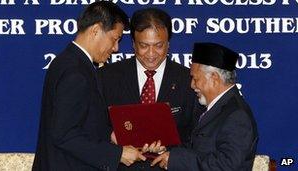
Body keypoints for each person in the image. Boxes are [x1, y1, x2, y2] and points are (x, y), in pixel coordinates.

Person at [32, 1, 146, 170]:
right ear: (95, 30)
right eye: (115, 39)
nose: (116, 48)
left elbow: (81, 121)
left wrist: (111, 135)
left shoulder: (69, 62)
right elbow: (65, 135)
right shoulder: (75, 71)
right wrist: (117, 154)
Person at [97, 8, 203, 171]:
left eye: (159, 45)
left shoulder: (188, 80)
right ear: (133, 43)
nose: (151, 54)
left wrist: (168, 151)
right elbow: (93, 127)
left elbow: (197, 135)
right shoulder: (107, 77)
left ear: (168, 44)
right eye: (144, 46)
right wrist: (114, 140)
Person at [151, 42, 258, 171]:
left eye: (195, 79)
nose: (192, 85)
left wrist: (175, 160)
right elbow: (195, 148)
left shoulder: (237, 115)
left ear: (214, 78)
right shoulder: (213, 107)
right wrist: (166, 150)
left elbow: (226, 165)